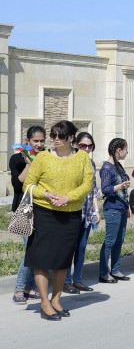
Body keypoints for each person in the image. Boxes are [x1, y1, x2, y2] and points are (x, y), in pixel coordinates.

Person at [23, 120, 93, 321]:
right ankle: (45, 303)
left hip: (70, 214)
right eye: (53, 135)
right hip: (45, 213)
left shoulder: (82, 159)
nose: (55, 139)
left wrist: (67, 197)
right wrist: (46, 195)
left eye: (60, 136)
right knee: (42, 258)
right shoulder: (43, 158)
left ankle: (56, 300)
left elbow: (87, 184)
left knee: (63, 260)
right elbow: (29, 184)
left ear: (71, 138)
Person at [10, 126, 45, 306]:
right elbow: (18, 183)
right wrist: (30, 163)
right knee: (30, 248)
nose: (39, 144)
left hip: (44, 208)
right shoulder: (17, 158)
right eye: (35, 141)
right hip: (25, 208)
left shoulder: (47, 156)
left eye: (41, 141)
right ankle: (19, 288)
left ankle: (30, 288)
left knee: (36, 249)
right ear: (28, 140)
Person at [64, 132, 100, 294]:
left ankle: (77, 279)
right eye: (83, 145)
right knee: (68, 248)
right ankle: (65, 281)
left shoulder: (91, 164)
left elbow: (93, 189)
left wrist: (96, 210)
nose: (86, 148)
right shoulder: (70, 162)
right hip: (71, 211)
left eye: (89, 146)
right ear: (76, 145)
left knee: (82, 247)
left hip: (86, 212)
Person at [99, 138, 132, 283]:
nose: (127, 152)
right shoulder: (107, 167)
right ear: (119, 150)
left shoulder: (118, 166)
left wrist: (128, 206)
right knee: (110, 241)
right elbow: (105, 189)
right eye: (125, 149)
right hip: (112, 209)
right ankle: (103, 273)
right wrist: (120, 186)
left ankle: (116, 270)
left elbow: (123, 189)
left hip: (122, 207)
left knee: (119, 241)